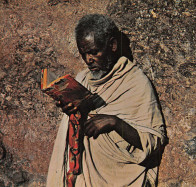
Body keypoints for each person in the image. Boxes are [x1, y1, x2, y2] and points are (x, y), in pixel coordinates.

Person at [46, 14, 168, 187]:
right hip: (84, 175)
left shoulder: (135, 82)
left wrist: (114, 122)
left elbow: (154, 141)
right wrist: (71, 111)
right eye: (84, 53)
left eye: (94, 52)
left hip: (121, 177)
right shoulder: (82, 79)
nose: (89, 59)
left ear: (112, 45)